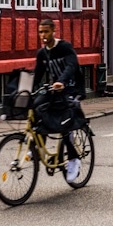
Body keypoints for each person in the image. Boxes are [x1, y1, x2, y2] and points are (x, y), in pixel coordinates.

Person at [34, 18, 85, 182]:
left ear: (53, 31)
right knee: (36, 107)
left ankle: (73, 159)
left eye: (46, 31)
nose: (43, 35)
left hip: (72, 88)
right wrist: (26, 90)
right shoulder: (42, 53)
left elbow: (71, 66)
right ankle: (35, 145)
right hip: (56, 90)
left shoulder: (64, 47)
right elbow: (37, 75)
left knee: (64, 124)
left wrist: (62, 81)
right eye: (40, 32)